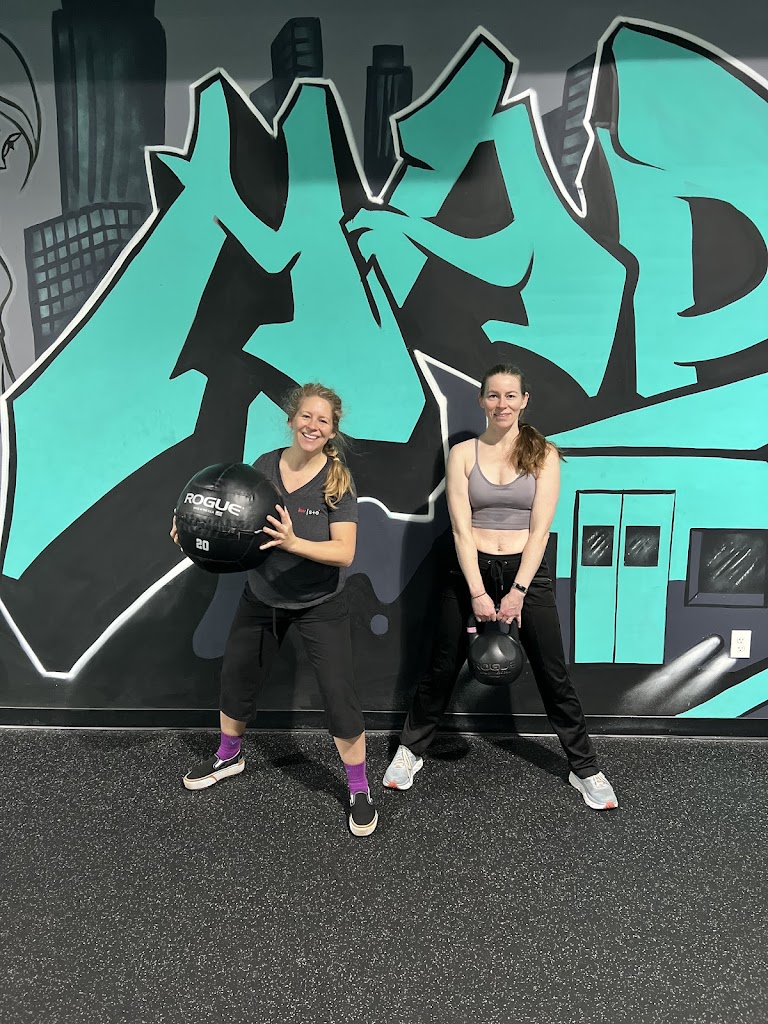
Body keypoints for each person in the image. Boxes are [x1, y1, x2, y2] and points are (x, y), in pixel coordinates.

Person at [383, 364, 618, 811]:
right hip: (470, 568)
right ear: (482, 401)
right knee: (441, 667)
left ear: (524, 400)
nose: (502, 404)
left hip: (525, 571)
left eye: (511, 396)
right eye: (493, 395)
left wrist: (518, 592)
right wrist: (476, 591)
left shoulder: (543, 453)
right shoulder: (463, 454)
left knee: (553, 674)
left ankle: (584, 768)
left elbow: (540, 530)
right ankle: (410, 750)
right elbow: (460, 529)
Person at [172, 383, 378, 836]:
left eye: (323, 420)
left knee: (339, 696)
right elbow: (229, 514)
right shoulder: (265, 466)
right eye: (306, 416)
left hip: (319, 603)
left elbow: (344, 553)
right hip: (263, 596)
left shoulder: (337, 481)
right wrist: (193, 527)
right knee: (237, 678)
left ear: (332, 431)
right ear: (291, 419)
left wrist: (293, 542)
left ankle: (359, 788)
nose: (312, 426)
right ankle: (229, 756)